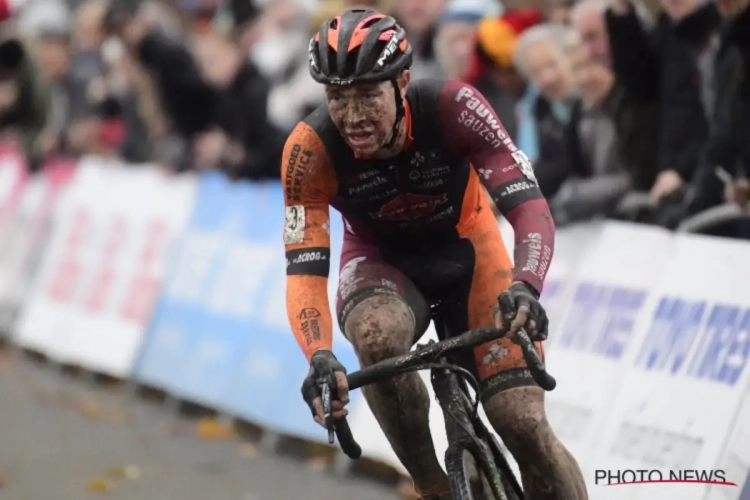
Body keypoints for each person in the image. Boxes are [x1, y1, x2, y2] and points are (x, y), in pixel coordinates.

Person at [281, 8, 587, 500]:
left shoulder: (453, 107)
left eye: (367, 96)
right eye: (338, 98)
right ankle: (431, 486)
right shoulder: (308, 150)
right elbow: (304, 269)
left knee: (522, 423)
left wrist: (525, 286)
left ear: (402, 82)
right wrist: (319, 354)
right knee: (376, 338)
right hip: (382, 267)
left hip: (470, 255)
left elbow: (529, 207)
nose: (353, 117)